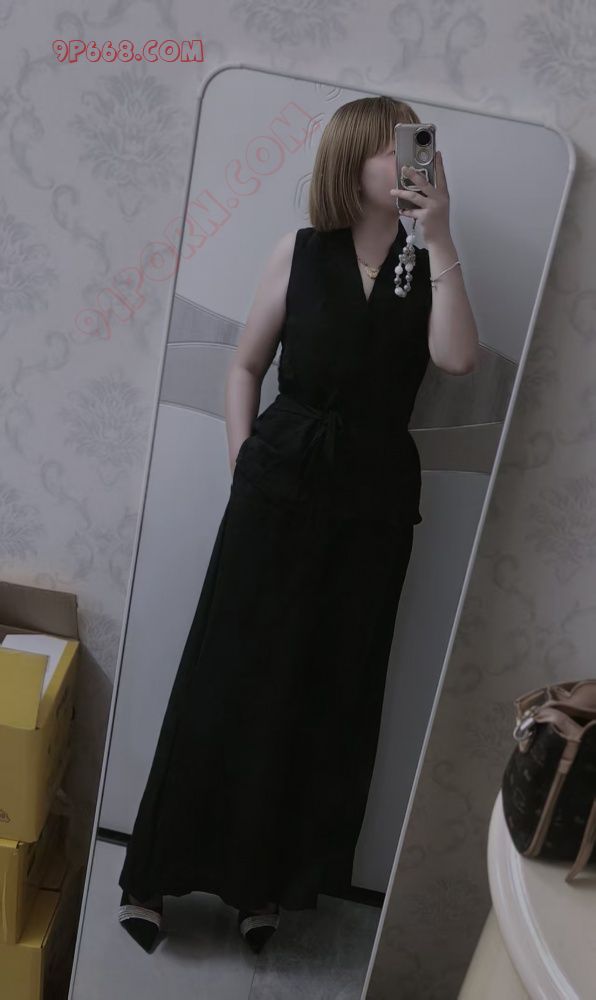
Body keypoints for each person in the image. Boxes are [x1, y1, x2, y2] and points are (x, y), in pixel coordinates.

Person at [117, 94, 478, 956]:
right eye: (393, 147)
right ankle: (152, 875)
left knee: (326, 697)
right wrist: (245, 462)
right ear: (352, 159)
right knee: (225, 677)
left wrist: (441, 237)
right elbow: (246, 365)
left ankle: (266, 887)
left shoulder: (424, 263)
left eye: (418, 147)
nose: (411, 161)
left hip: (372, 507)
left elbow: (457, 358)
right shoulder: (301, 252)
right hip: (277, 487)